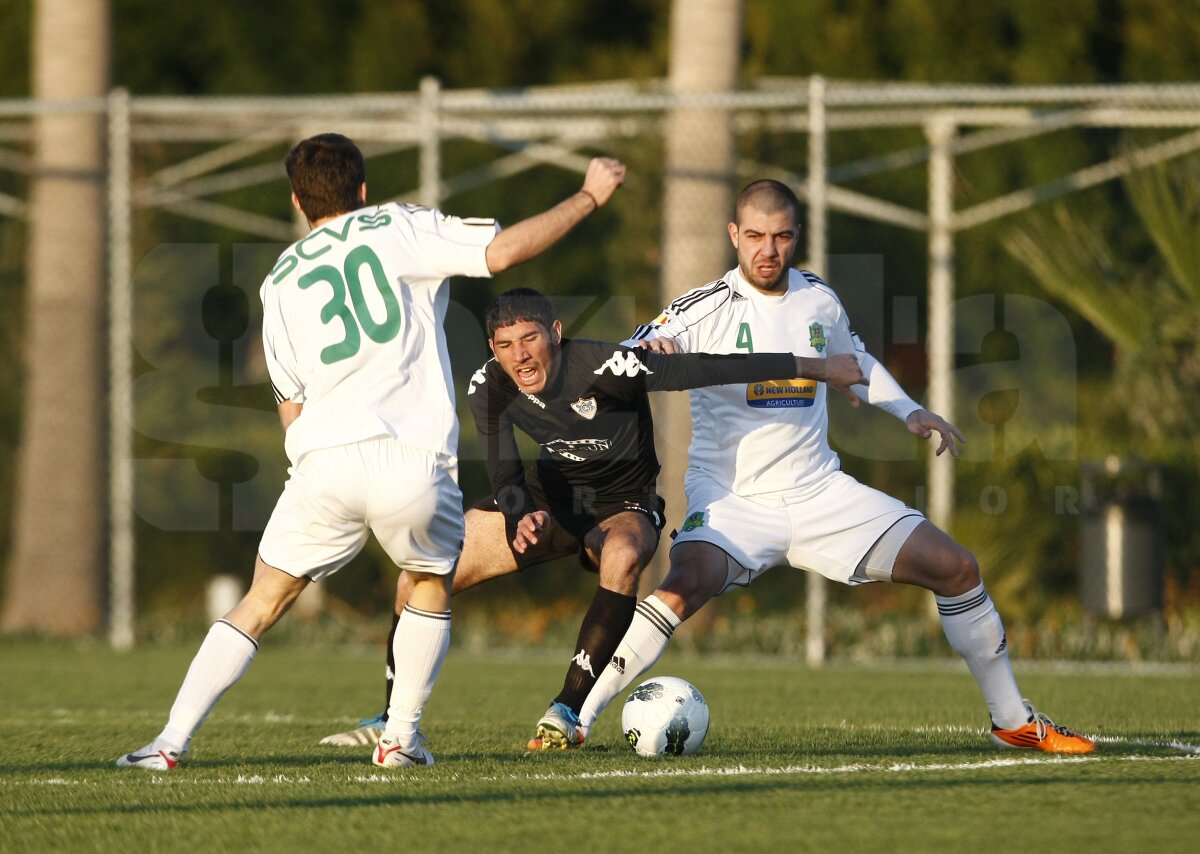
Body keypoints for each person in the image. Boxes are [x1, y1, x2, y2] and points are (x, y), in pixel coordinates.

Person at [116, 133, 628, 771]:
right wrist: (588, 196)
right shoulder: (399, 224)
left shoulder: (282, 276)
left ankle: (168, 742)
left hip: (321, 461)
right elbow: (501, 252)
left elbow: (289, 400)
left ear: (299, 200)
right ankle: (400, 741)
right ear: (363, 189)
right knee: (429, 583)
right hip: (408, 460)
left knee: (262, 599)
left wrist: (311, 460)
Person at [574, 179, 1095, 754]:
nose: (766, 250)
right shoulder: (703, 307)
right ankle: (578, 716)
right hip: (732, 499)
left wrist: (910, 411)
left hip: (821, 492)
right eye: (754, 236)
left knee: (957, 567)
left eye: (780, 237)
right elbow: (631, 350)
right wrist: (651, 350)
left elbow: (857, 362)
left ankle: (1012, 721)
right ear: (733, 235)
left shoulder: (818, 299)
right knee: (683, 584)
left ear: (796, 237)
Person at [319, 286, 867, 750]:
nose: (521, 355)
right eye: (506, 345)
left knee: (625, 555)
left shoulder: (610, 367)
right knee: (421, 569)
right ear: (493, 348)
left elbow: (704, 368)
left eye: (531, 338)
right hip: (548, 499)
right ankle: (387, 718)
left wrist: (818, 368)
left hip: (622, 504)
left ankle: (566, 711)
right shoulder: (490, 384)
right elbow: (504, 472)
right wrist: (518, 515)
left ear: (555, 333)